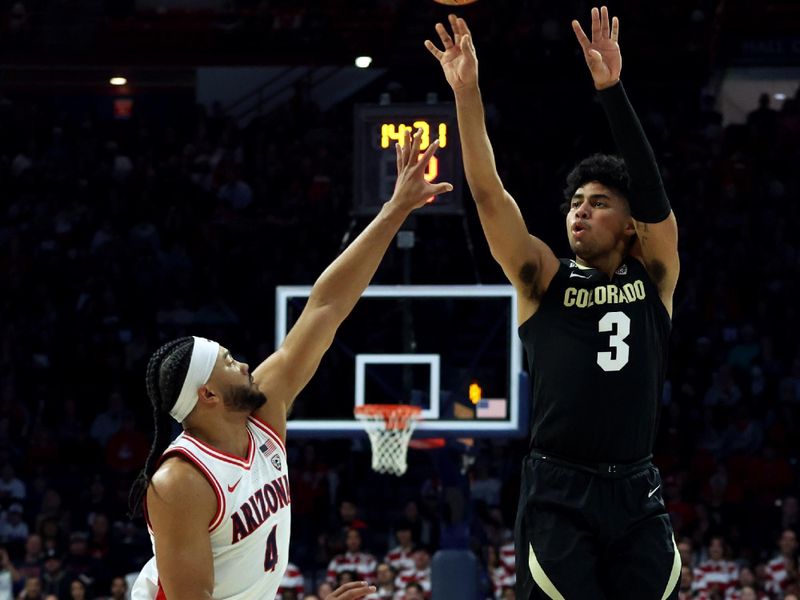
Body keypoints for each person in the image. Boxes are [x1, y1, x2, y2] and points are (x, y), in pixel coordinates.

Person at [128, 130, 452, 600]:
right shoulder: (181, 482)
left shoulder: (262, 407)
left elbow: (326, 306)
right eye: (228, 362)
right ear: (208, 395)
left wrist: (395, 209)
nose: (243, 363)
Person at [426, 7, 680, 599]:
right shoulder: (542, 277)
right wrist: (467, 94)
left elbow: (654, 194)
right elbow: (488, 194)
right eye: (574, 203)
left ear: (630, 227)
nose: (579, 211)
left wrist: (613, 91)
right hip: (559, 491)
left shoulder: (657, 273)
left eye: (597, 203)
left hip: (637, 491)